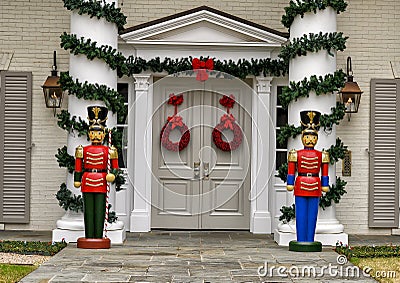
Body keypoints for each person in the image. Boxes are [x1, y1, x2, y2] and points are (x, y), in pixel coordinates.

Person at [74, 106, 118, 249]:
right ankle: (89, 235)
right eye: (93, 132)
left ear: (104, 134)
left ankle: (98, 236)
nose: (96, 135)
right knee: (88, 210)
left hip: (101, 180)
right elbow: (78, 166)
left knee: (99, 210)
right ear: (89, 133)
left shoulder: (109, 150)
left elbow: (115, 167)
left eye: (98, 133)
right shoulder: (82, 149)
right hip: (87, 180)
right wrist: (77, 179)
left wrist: (113, 175)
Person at [286, 110, 329, 252]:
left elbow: (324, 171)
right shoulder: (295, 154)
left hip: (315, 185)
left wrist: (325, 184)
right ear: (302, 138)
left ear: (316, 139)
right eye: (307, 136)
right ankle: (300, 239)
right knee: (301, 214)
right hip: (301, 185)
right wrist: (290, 182)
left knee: (312, 215)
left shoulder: (322, 155)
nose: (310, 140)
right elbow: (291, 170)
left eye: (313, 137)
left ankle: (310, 239)